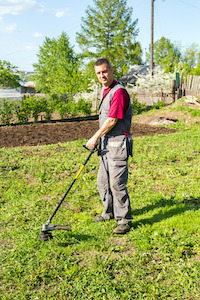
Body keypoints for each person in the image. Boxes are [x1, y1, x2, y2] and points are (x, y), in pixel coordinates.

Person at [86, 58, 133, 234]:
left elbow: (112, 120)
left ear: (111, 70)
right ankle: (109, 212)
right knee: (102, 181)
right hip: (106, 144)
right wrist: (100, 139)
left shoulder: (119, 92)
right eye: (98, 73)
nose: (102, 75)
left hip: (117, 143)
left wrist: (95, 137)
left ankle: (124, 220)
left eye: (104, 71)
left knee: (116, 183)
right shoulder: (106, 90)